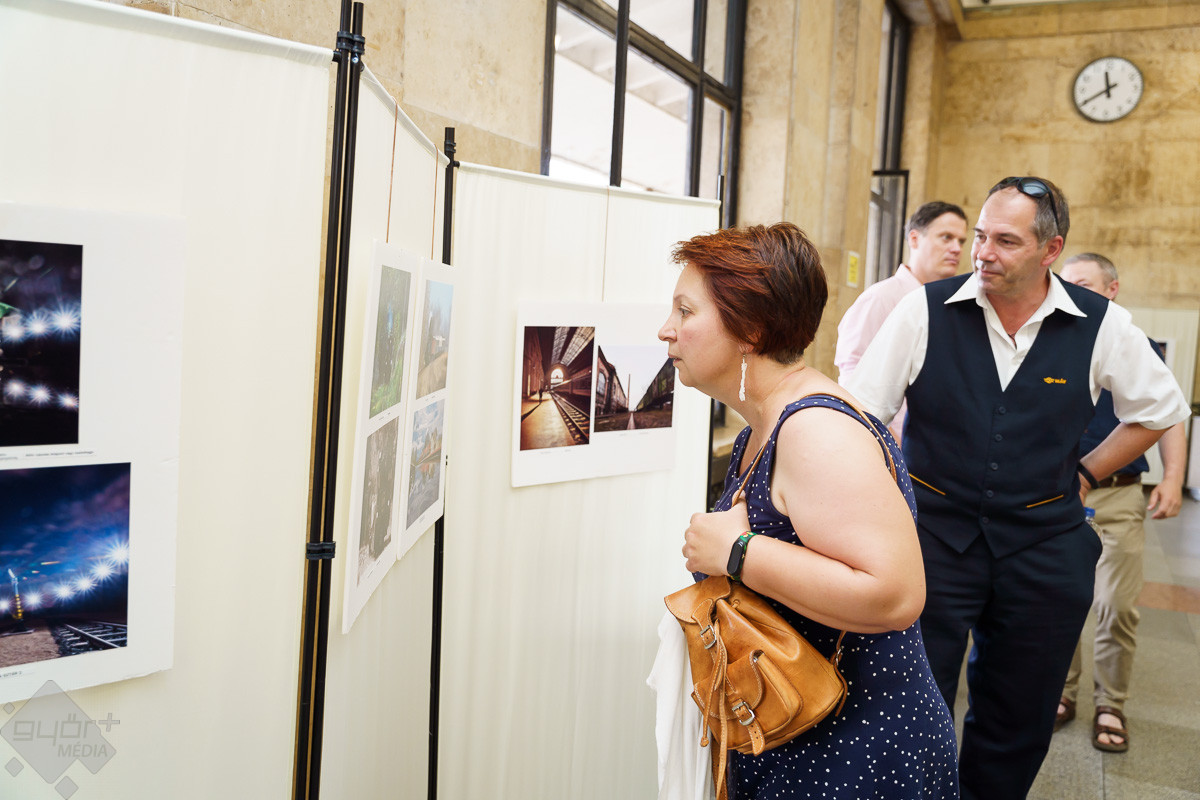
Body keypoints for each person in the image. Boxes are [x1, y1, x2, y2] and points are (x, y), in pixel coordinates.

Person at [842, 176, 1191, 800]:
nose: (982, 253)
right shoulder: (924, 310)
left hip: (1043, 546)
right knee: (905, 703)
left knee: (1018, 716)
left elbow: (1160, 409)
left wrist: (1086, 472)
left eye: (1005, 241)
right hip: (930, 541)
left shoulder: (1101, 325)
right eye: (980, 236)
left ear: (1051, 249)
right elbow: (861, 414)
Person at [658, 222, 959, 799]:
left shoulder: (815, 430)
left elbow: (895, 595)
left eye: (685, 311)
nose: (666, 329)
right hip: (799, 725)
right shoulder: (765, 425)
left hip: (854, 749)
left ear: (750, 330)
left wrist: (737, 552)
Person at [1055, 252, 1189, 753]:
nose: (1073, 292)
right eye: (1066, 283)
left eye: (1084, 284)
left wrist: (1172, 478)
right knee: (1063, 600)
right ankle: (1062, 692)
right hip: (1059, 496)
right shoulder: (1053, 341)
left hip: (1116, 494)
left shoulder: (1136, 344)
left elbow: (1167, 415)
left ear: (1112, 289)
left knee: (1115, 606)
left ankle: (1111, 703)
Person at [835, 201, 967, 442]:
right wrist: (887, 437)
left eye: (961, 241)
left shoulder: (952, 304)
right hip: (889, 443)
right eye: (946, 237)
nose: (956, 248)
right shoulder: (880, 298)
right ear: (914, 239)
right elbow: (851, 375)